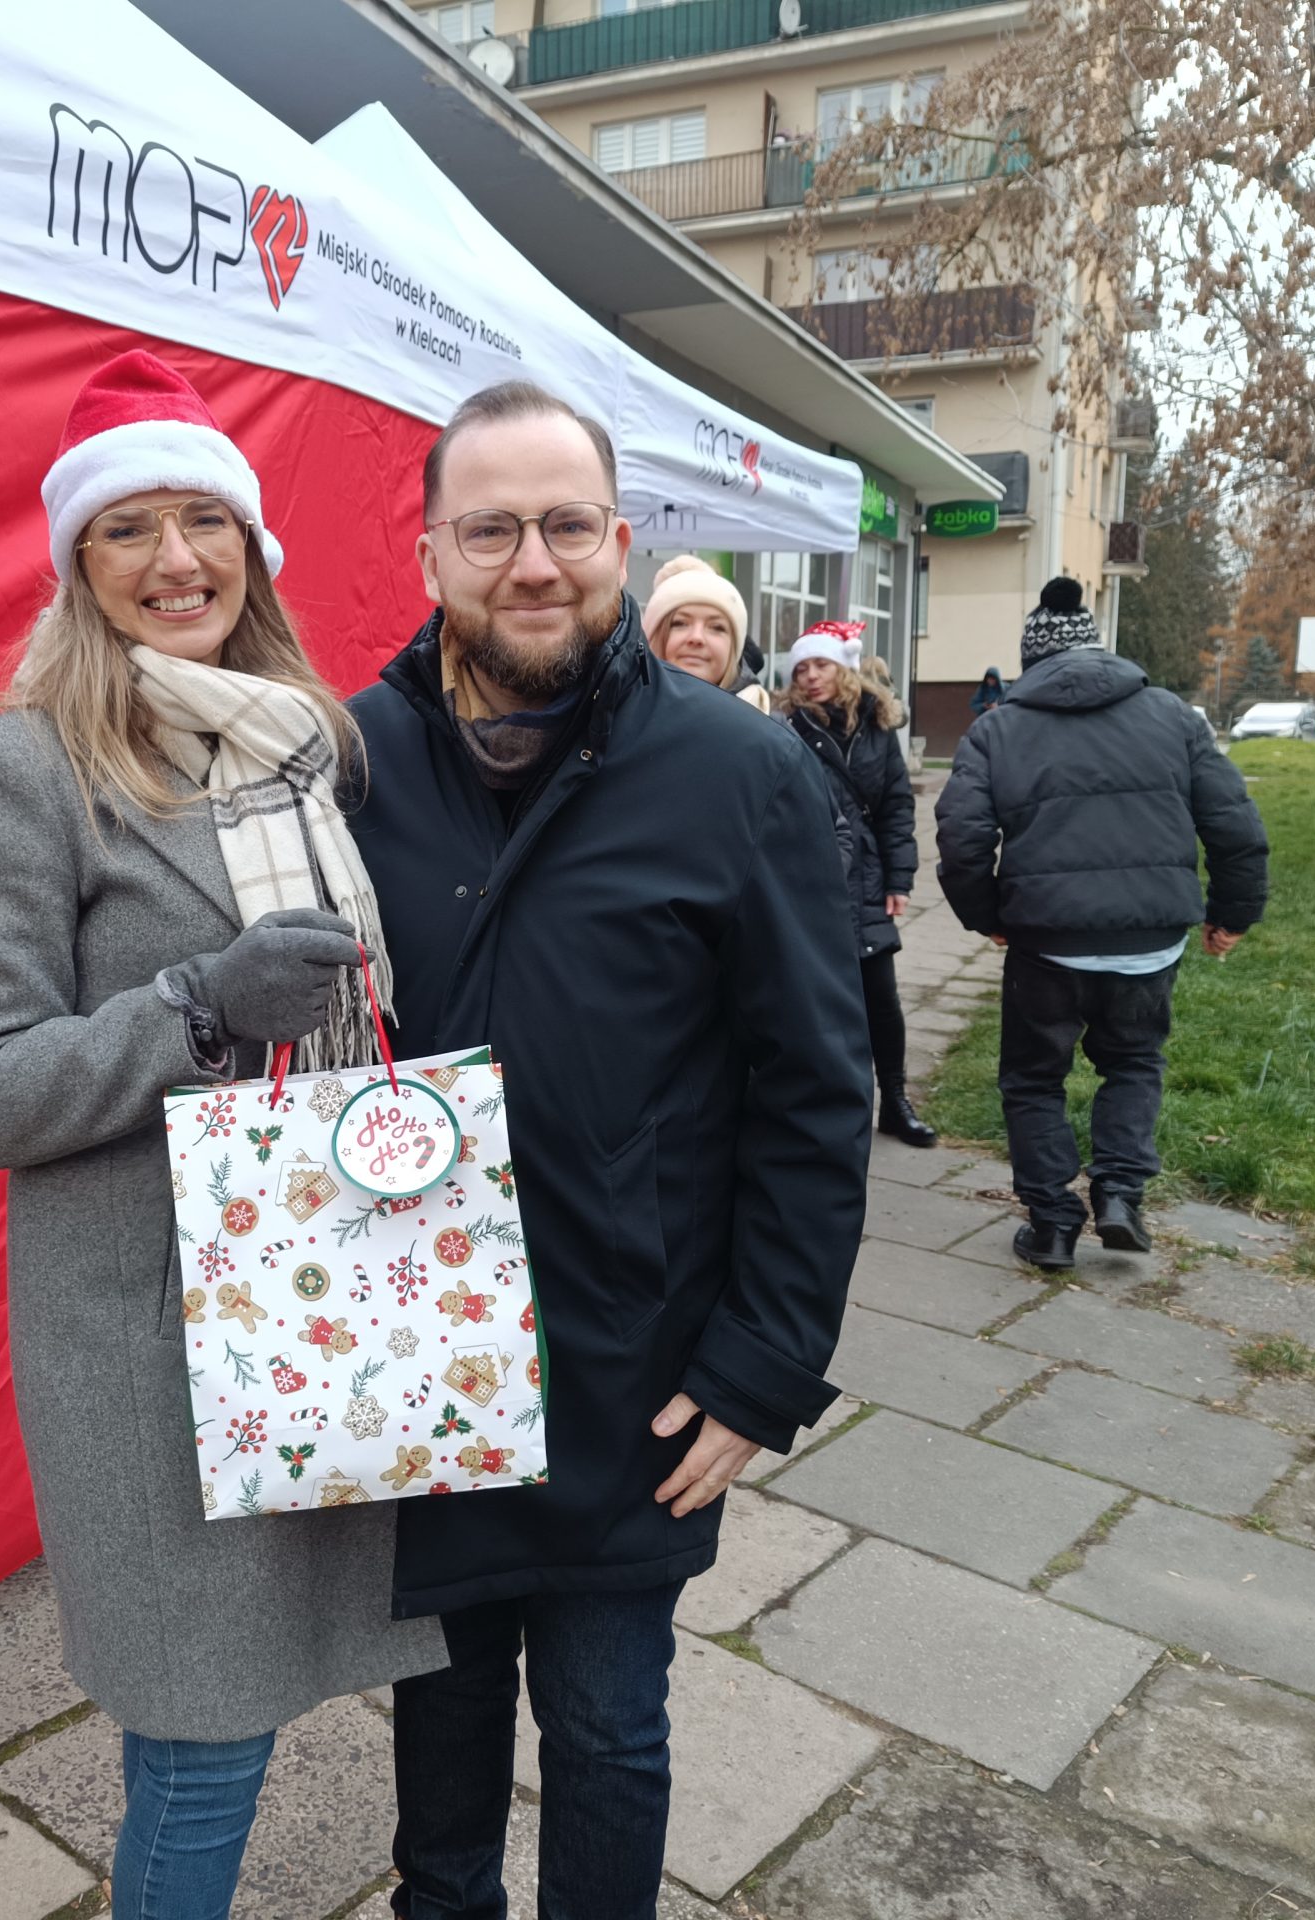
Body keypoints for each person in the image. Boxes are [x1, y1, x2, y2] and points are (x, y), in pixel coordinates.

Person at [0, 350, 445, 1919]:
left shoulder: (317, 751)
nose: (175, 560)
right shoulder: (23, 769)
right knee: (205, 1739)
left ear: (253, 546)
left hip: (326, 1286)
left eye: (204, 520)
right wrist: (202, 1008)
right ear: (78, 565)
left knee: (274, 1710)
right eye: (129, 528)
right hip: (151, 1339)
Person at [345, 381, 871, 1917]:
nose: (534, 562)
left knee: (607, 1730)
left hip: (636, 1367)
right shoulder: (352, 761)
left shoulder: (739, 773)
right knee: (438, 1727)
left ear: (621, 545)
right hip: (428, 1364)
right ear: (430, 553)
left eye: (567, 525)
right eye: (492, 529)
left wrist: (765, 1364)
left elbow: (814, 1090)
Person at [934, 576, 1269, 1269]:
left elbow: (961, 841)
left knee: (1033, 1079)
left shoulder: (996, 728)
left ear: (1032, 661)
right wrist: (1233, 914)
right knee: (1134, 1062)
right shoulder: (1174, 716)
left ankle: (1052, 1224)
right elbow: (1234, 825)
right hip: (1150, 941)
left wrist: (987, 917)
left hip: (1046, 943)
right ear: (1099, 650)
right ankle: (1119, 1193)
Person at [775, 621, 936, 1148]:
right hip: (813, 880)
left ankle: (896, 1101)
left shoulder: (876, 726)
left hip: (867, 880)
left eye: (820, 665)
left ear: (842, 668)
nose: (810, 676)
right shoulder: (789, 728)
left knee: (881, 999)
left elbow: (895, 806)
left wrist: (900, 878)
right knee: (821, 1003)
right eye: (801, 668)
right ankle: (836, 1109)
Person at [641, 553, 770, 712]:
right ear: (652, 636)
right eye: (680, 623)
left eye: (716, 627)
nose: (696, 637)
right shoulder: (617, 715)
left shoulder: (766, 725)